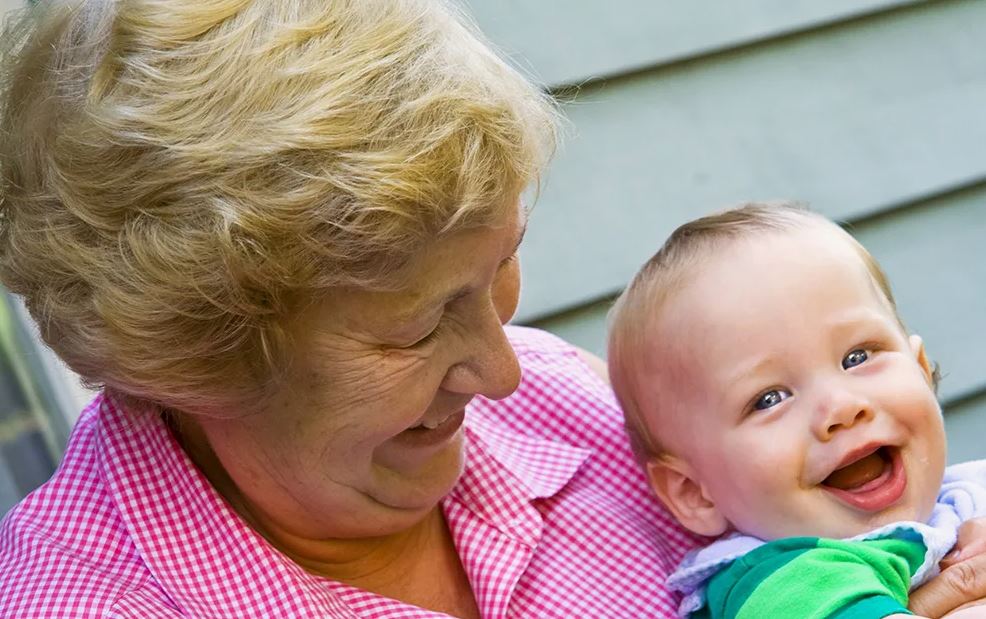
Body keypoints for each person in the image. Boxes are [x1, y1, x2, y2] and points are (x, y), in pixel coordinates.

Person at [2, 1, 986, 617]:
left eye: (500, 266)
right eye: (417, 323)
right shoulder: (77, 599)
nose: (505, 366)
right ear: (194, 360)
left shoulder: (556, 402)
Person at [607, 202, 986, 618]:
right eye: (769, 398)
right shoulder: (780, 583)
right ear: (695, 492)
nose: (841, 408)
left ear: (919, 369)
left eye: (858, 357)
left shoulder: (966, 493)